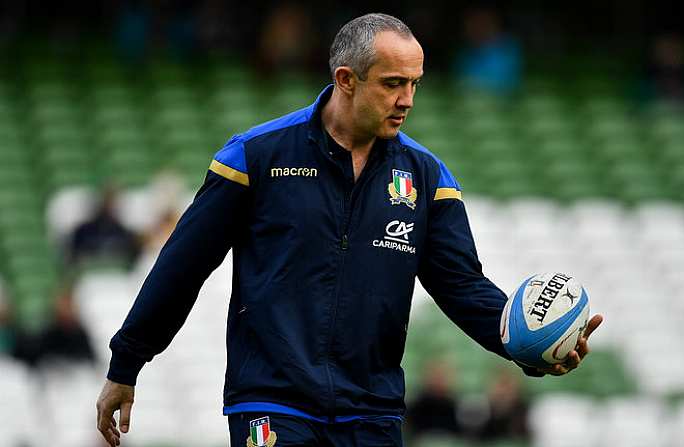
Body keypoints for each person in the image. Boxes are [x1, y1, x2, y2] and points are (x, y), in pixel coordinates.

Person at [96, 13, 603, 447]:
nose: (406, 99)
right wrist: (127, 362)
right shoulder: (255, 157)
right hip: (272, 404)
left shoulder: (428, 178)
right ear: (345, 79)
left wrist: (525, 344)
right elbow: (182, 266)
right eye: (392, 83)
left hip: (373, 412)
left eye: (414, 84)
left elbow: (462, 284)